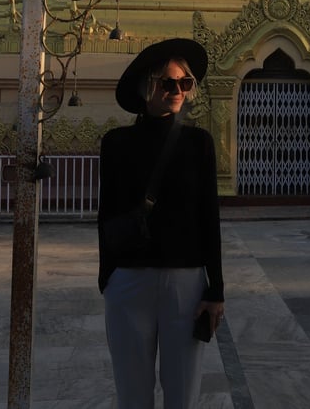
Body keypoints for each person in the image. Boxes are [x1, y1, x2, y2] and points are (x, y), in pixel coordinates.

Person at [97, 38, 224, 409]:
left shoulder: (199, 143)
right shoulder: (116, 143)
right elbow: (107, 212)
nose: (177, 90)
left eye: (185, 82)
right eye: (168, 83)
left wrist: (216, 289)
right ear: (146, 87)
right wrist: (107, 276)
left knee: (182, 393)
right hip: (129, 279)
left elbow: (209, 215)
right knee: (132, 394)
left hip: (185, 282)